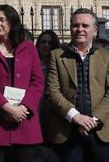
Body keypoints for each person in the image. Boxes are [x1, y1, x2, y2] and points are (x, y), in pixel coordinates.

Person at [46, 8, 109, 162]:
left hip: (103, 131)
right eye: (75, 25)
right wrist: (75, 117)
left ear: (94, 30)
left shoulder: (108, 56)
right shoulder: (56, 56)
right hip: (67, 132)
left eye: (85, 26)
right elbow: (52, 91)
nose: (79, 29)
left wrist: (92, 120)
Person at [0, 4, 45, 162]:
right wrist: (5, 107)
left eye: (2, 20)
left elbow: (38, 82)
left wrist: (24, 108)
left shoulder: (29, 48)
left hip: (24, 121)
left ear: (12, 22)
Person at [35, 30, 61, 162]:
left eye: (49, 43)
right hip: (36, 105)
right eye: (43, 42)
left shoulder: (59, 64)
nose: (46, 45)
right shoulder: (32, 62)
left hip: (53, 106)